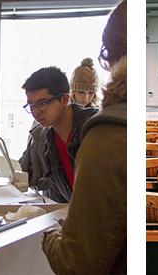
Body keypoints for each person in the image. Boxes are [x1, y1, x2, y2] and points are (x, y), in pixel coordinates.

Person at [42, 0, 127, 274]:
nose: (37, 111)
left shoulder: (106, 133)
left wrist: (49, 235)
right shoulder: (42, 138)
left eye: (43, 103)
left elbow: (77, 263)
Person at [19, 67, 99, 203]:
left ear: (64, 100)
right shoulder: (46, 140)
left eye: (42, 103)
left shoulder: (94, 128)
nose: (36, 112)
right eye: (31, 105)